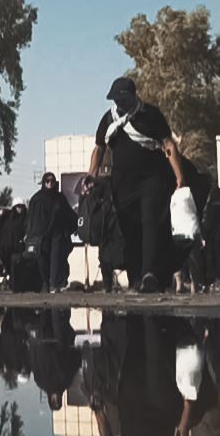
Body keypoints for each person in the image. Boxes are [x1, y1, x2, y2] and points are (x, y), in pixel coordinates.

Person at [89, 77, 187, 293]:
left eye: (123, 99)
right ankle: (135, 278)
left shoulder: (150, 115)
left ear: (134, 96)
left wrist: (179, 177)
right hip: (122, 184)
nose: (120, 104)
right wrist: (91, 175)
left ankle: (149, 274)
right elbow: (99, 148)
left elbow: (168, 144)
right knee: (130, 229)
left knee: (150, 223)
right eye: (116, 100)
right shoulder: (109, 119)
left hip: (151, 180)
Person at [27, 173, 77, 293]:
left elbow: (69, 214)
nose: (50, 183)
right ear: (43, 182)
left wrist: (75, 225)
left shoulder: (59, 198)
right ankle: (45, 283)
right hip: (41, 236)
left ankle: (55, 284)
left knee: (56, 259)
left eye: (52, 181)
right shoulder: (37, 199)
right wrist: (30, 234)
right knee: (42, 260)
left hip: (57, 234)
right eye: (47, 181)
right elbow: (31, 219)